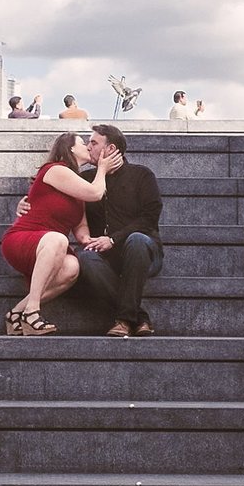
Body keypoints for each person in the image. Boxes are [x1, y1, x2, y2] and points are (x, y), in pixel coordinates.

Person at [0, 129, 117, 335]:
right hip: (24, 238)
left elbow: (81, 231)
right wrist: (103, 169)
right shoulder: (55, 170)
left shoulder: (77, 191)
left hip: (51, 245)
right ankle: (32, 312)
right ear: (70, 148)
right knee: (58, 239)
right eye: (83, 143)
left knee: (72, 267)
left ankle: (16, 313)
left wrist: (103, 241)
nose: (88, 147)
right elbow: (96, 192)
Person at [74, 123, 165, 337]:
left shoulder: (142, 175)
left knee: (137, 239)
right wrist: (27, 201)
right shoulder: (87, 180)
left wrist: (113, 239)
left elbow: (150, 217)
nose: (88, 147)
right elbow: (56, 196)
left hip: (144, 253)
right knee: (85, 258)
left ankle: (123, 320)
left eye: (94, 143)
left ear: (111, 149)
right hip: (105, 258)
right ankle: (139, 317)